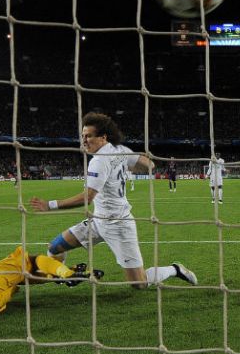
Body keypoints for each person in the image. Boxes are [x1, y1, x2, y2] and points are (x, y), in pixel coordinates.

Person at [29, 112, 197, 290]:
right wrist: (127, 165)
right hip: (98, 221)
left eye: (89, 136)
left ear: (103, 137)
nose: (84, 140)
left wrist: (50, 205)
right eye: (83, 136)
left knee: (139, 283)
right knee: (55, 247)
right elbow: (150, 165)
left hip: (119, 225)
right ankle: (65, 274)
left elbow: (87, 198)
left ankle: (175, 269)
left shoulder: (99, 161)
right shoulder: (120, 150)